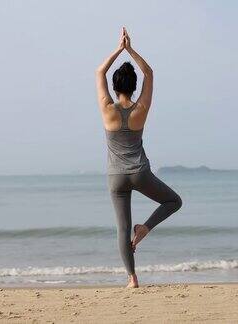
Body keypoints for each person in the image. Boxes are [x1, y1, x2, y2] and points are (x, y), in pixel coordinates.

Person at [96, 27, 183, 288]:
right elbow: (149, 72)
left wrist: (118, 49)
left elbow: (99, 71)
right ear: (134, 86)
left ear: (114, 86)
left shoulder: (107, 108)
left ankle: (132, 278)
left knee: (122, 229)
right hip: (140, 172)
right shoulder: (140, 109)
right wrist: (131, 50)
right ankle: (145, 228)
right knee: (173, 201)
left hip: (116, 178)